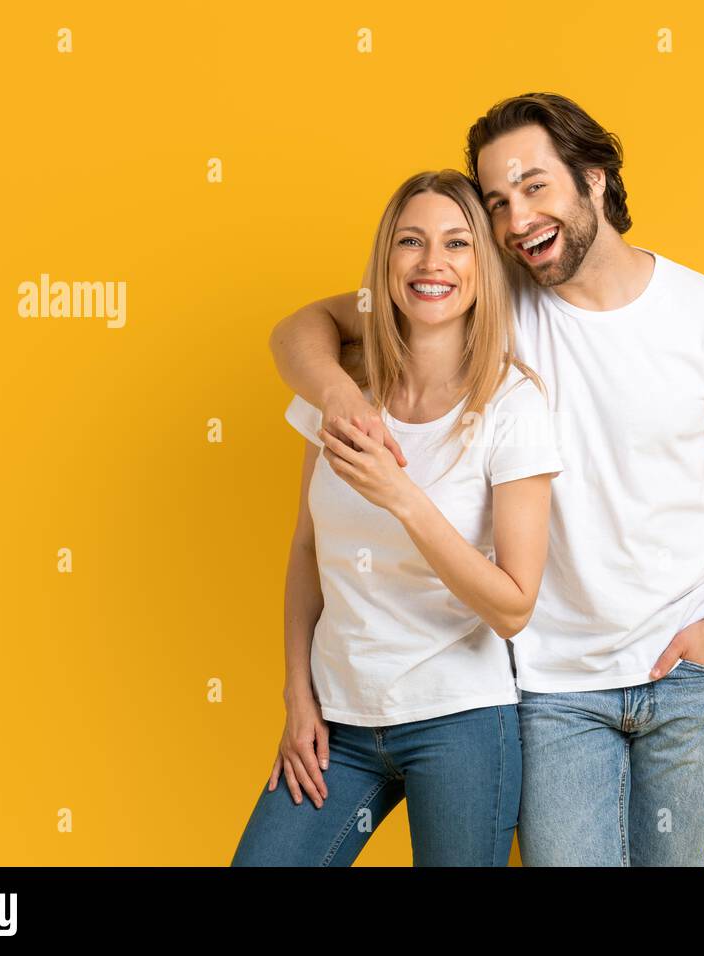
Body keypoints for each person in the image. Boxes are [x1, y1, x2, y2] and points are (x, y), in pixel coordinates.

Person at [269, 93, 704, 866]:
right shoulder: (486, 296)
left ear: (595, 178)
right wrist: (337, 398)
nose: (516, 218)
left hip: (685, 673)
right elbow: (303, 328)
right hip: (550, 685)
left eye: (534, 186)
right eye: (496, 200)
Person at [232, 168, 563, 867]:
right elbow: (305, 550)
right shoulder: (346, 392)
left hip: (462, 721)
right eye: (410, 242)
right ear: (386, 262)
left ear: (483, 266)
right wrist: (299, 694)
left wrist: (402, 495)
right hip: (339, 723)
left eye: (456, 244)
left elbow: (513, 607)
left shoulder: (513, 407)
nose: (431, 263)